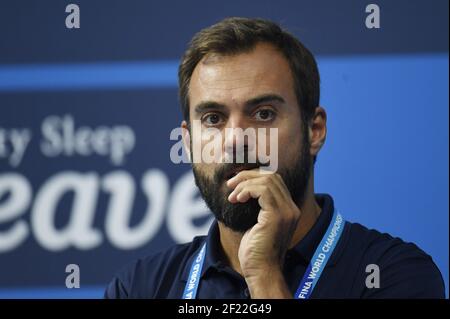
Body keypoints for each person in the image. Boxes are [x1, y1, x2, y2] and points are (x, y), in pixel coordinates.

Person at [105, 17, 445, 299]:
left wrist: (265, 276)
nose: (236, 139)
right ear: (188, 141)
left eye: (264, 114)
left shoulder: (395, 275)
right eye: (213, 119)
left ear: (314, 131)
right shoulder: (139, 288)